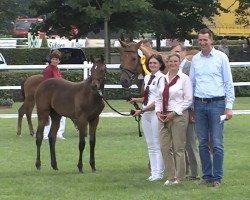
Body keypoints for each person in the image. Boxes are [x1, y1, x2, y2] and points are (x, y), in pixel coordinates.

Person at [189, 28, 235, 187]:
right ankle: (207, 176)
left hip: (217, 104)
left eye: (205, 40)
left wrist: (228, 107)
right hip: (199, 104)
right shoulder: (195, 59)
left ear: (211, 40)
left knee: (216, 142)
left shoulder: (221, 58)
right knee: (202, 142)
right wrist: (191, 107)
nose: (202, 43)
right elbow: (192, 83)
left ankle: (217, 177)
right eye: (200, 40)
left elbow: (228, 83)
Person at [155, 53, 193, 186]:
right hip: (163, 116)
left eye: (175, 61)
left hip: (179, 116)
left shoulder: (184, 79)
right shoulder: (162, 79)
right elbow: (158, 97)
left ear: (179, 62)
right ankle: (171, 176)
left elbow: (188, 99)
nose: (172, 64)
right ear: (166, 63)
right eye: (170, 61)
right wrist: (158, 111)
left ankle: (179, 177)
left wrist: (175, 113)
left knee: (178, 147)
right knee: (164, 147)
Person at [129, 54, 166, 181]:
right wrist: (136, 100)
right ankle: (153, 172)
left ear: (160, 64)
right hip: (146, 113)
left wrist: (142, 110)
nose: (152, 65)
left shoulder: (162, 78)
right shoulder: (147, 78)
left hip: (155, 112)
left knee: (157, 143)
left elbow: (158, 100)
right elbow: (148, 97)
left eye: (155, 63)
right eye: (150, 63)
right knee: (150, 144)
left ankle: (159, 172)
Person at [171, 43, 200, 180]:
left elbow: (194, 89)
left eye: (178, 51)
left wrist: (193, 110)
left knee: (190, 142)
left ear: (184, 52)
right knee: (178, 143)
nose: (176, 55)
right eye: (173, 52)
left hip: (189, 110)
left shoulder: (191, 66)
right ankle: (183, 170)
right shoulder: (171, 70)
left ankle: (194, 172)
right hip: (175, 112)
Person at [43, 50, 66, 140]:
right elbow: (47, 84)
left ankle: (59, 133)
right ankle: (45, 134)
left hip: (59, 96)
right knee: (48, 115)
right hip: (50, 96)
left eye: (57, 59)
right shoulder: (48, 70)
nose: (55, 61)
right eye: (53, 59)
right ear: (51, 60)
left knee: (62, 115)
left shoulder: (57, 69)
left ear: (59, 61)